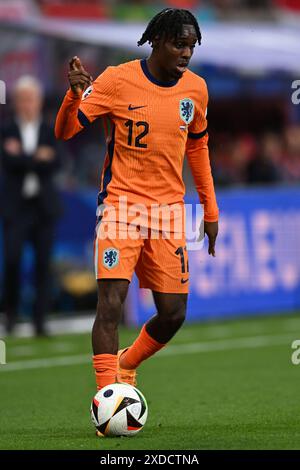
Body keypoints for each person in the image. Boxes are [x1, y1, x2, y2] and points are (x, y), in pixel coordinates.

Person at [55, 8, 219, 405]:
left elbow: (198, 148)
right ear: (157, 41)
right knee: (110, 304)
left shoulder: (195, 90)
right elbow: (66, 130)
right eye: (179, 44)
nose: (186, 53)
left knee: (173, 314)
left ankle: (126, 365)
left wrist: (210, 212)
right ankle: (106, 400)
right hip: (120, 207)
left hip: (168, 213)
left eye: (192, 46)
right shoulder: (116, 80)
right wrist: (74, 95)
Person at [0, 76, 61, 336]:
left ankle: (40, 320)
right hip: (16, 208)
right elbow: (7, 163)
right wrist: (35, 159)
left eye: (32, 99)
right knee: (12, 260)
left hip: (43, 207)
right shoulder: (5, 130)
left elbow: (55, 164)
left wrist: (22, 158)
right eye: (23, 99)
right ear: (15, 102)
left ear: (38, 102)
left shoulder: (50, 130)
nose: (28, 104)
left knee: (43, 264)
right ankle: (11, 315)